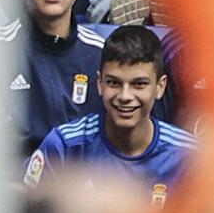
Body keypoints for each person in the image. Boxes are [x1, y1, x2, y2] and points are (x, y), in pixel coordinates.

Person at [25, 24, 196, 203]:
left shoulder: (190, 157)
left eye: (139, 84)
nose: (125, 96)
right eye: (114, 83)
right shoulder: (64, 146)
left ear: (160, 87)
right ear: (99, 83)